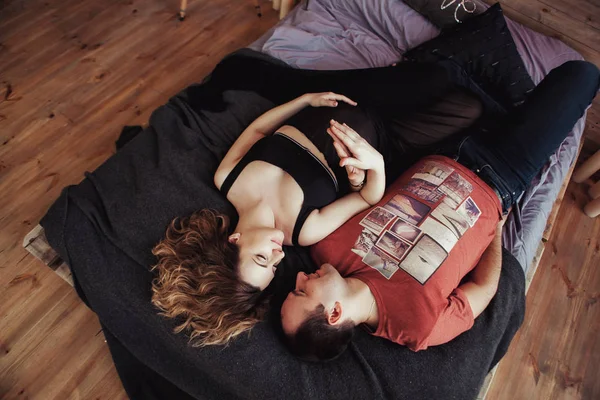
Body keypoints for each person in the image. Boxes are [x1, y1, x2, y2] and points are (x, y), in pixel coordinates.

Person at [280, 60, 600, 361]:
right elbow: (483, 290)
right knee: (582, 74)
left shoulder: (324, 246)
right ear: (335, 314)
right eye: (301, 291)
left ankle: (507, 108)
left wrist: (358, 177)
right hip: (501, 174)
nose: (298, 276)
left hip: (441, 145)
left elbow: (362, 198)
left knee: (453, 74)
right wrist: (496, 230)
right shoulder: (417, 327)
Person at [150, 61, 485, 346]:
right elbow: (368, 196)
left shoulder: (229, 179)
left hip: (343, 99)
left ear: (233, 241)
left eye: (262, 258)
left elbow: (257, 130)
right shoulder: (304, 231)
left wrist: (304, 100)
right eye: (274, 265)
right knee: (468, 107)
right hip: (385, 137)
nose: (279, 254)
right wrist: (373, 166)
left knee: (439, 77)